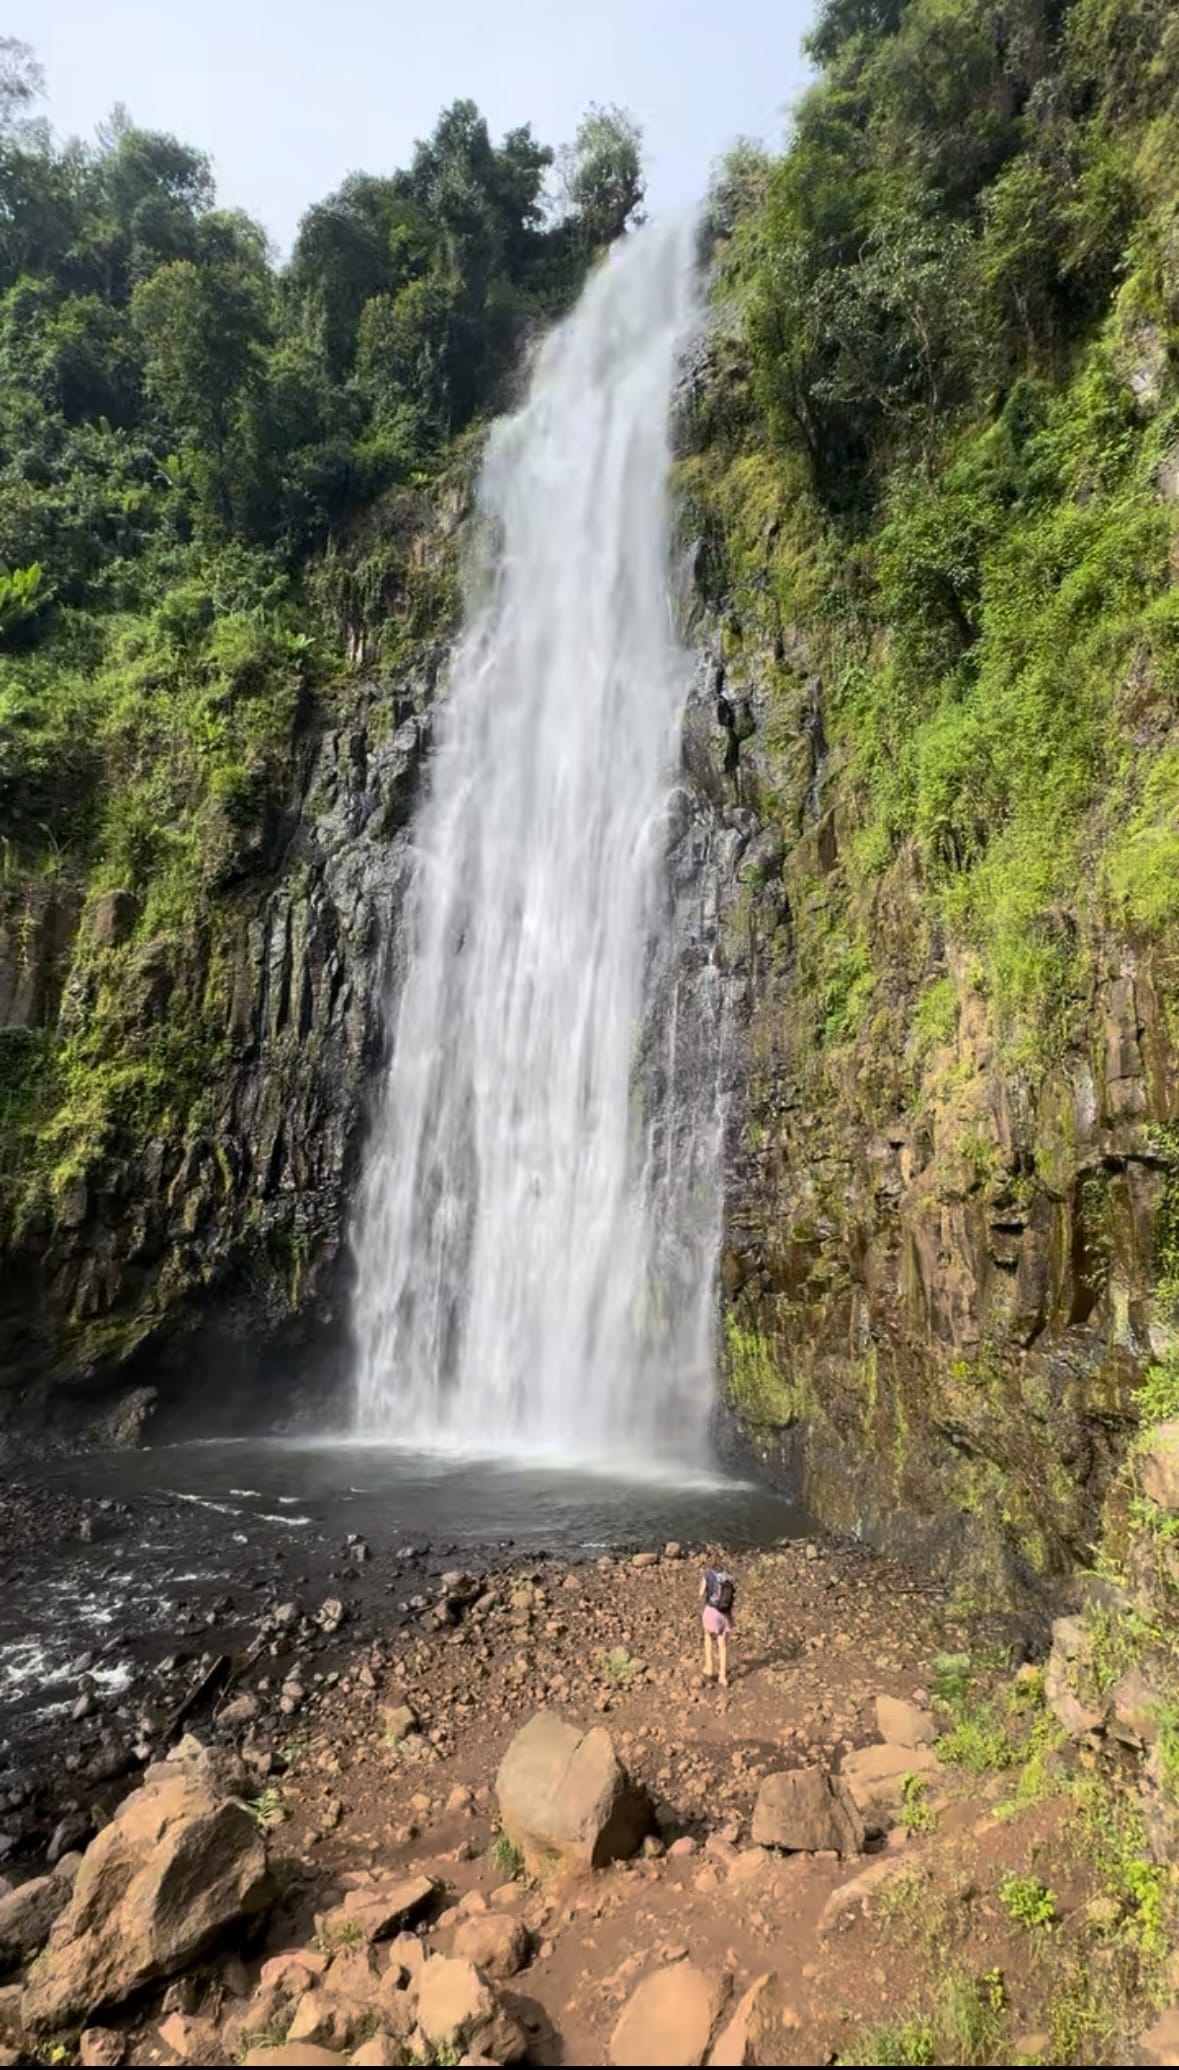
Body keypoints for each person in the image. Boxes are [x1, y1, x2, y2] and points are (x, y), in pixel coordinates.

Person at [700, 1562, 735, 1687]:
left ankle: (709, 1667)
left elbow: (701, 1592)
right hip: (724, 1614)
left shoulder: (708, 1573)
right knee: (722, 1644)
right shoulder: (728, 1577)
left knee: (708, 1636)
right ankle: (723, 1676)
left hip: (711, 1611)